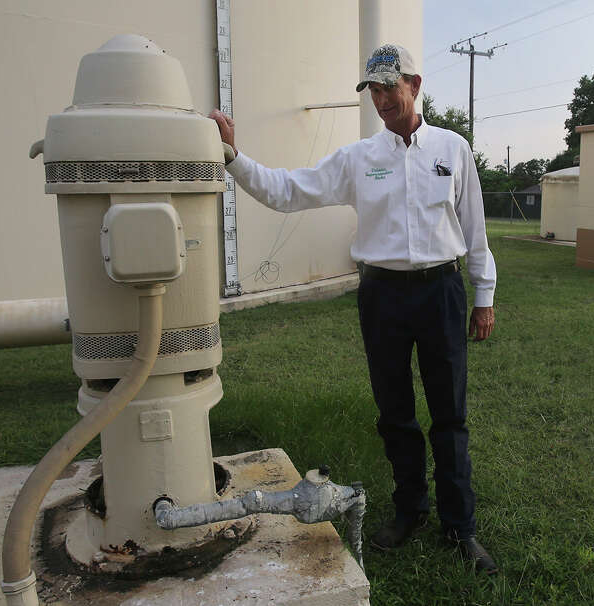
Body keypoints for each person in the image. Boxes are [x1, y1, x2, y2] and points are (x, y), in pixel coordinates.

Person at [208, 43, 498, 574]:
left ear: (415, 84)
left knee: (449, 415)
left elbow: (474, 229)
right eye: (373, 89)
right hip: (383, 296)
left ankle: (462, 528)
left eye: (390, 86)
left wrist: (484, 296)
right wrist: (233, 158)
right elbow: (287, 191)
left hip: (441, 293)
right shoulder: (360, 159)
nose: (382, 98)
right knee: (395, 413)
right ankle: (410, 511)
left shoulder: (453, 149)